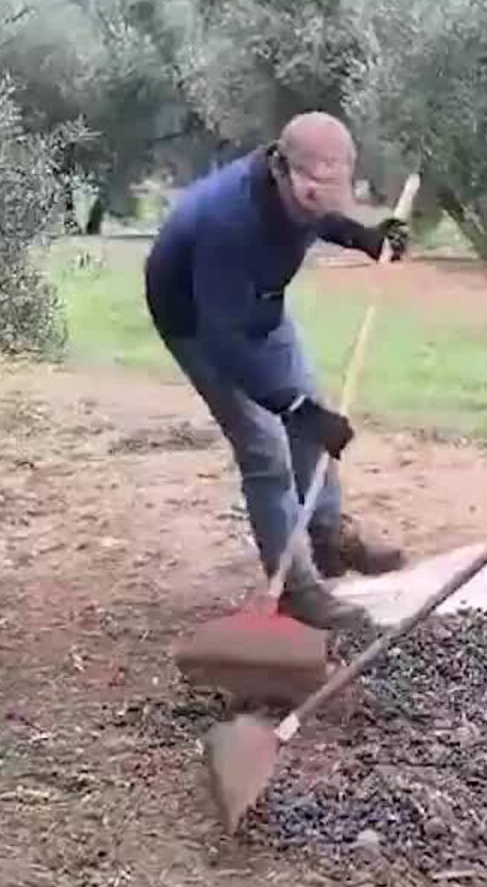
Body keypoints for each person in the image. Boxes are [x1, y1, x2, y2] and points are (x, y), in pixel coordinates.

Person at [145, 112, 412, 636]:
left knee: (310, 416)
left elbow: (321, 216)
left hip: (260, 303)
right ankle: (299, 591)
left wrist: (367, 238)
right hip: (201, 324)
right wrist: (295, 409)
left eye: (334, 191)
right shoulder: (228, 220)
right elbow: (226, 343)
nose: (322, 201)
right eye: (312, 191)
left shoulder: (306, 190)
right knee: (267, 449)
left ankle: (329, 536)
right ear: (281, 169)